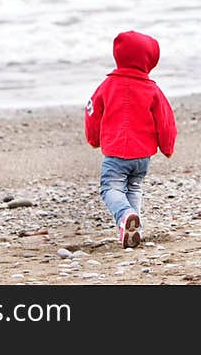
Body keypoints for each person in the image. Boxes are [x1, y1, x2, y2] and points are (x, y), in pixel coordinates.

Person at [85, 30, 177, 248]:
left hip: (116, 152)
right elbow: (166, 120)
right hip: (142, 156)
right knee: (133, 187)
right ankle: (134, 229)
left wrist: (94, 139)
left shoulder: (107, 86)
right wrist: (167, 147)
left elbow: (91, 112)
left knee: (110, 189)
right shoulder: (152, 89)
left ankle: (126, 216)